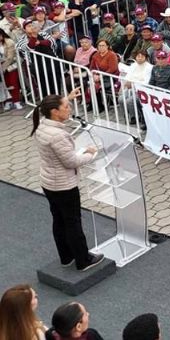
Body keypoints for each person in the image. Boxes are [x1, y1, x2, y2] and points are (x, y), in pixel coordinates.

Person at [32, 91, 105, 272]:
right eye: (66, 106)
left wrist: (68, 96)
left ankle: (66, 256)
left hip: (49, 182)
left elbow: (62, 156)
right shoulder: (57, 135)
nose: (70, 108)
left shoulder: (42, 126)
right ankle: (83, 259)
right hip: (64, 185)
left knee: (59, 220)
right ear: (55, 112)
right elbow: (70, 162)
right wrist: (90, 154)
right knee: (72, 222)